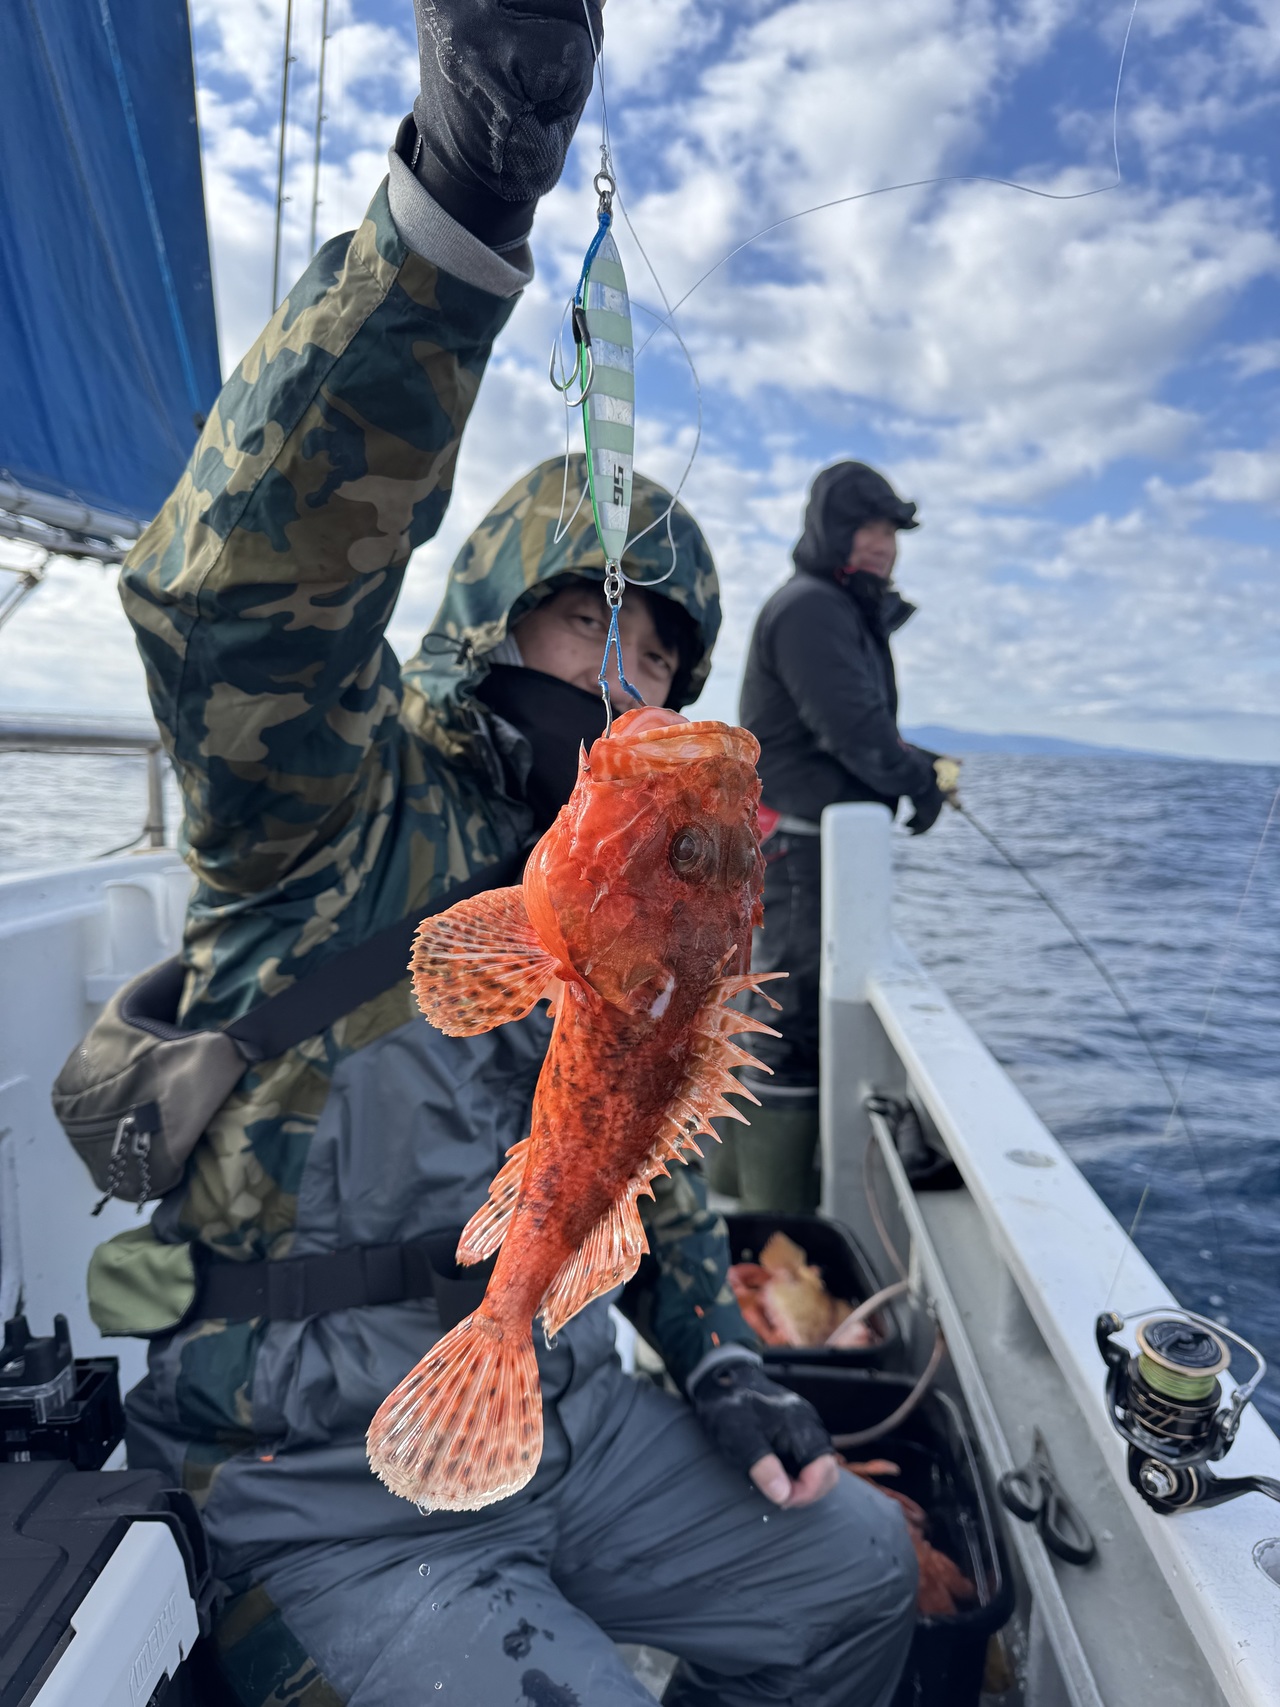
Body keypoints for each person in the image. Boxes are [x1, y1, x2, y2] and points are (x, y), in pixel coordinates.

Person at [95, 9, 916, 1703]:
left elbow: (645, 1149)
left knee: (852, 1573)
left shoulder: (638, 890)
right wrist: (458, 215)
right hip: (314, 1485)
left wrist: (720, 1359)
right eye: (594, 625)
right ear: (489, 622)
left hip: (570, 1406)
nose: (633, 682)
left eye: (665, 665)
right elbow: (242, 596)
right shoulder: (332, 800)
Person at [723, 461, 957, 1213]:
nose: (882, 543)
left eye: (890, 530)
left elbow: (857, 730)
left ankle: (759, 1200)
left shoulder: (833, 607)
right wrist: (920, 777)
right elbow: (853, 730)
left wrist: (915, 771)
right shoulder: (812, 608)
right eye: (866, 527)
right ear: (832, 531)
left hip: (809, 849)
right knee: (785, 1024)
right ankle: (774, 1223)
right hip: (796, 851)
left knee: (788, 1016)